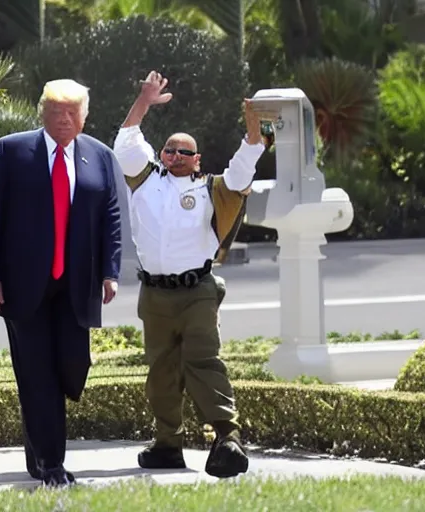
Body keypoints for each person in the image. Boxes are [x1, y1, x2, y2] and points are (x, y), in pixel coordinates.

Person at [112, 70, 265, 478]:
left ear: (197, 160)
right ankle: (167, 444)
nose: (176, 156)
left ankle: (227, 437)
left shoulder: (212, 188)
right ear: (161, 154)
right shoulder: (142, 179)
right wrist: (144, 100)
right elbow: (125, 142)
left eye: (185, 152)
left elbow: (240, 174)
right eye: (170, 150)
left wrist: (253, 138)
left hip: (197, 290)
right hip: (155, 294)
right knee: (161, 370)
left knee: (202, 361)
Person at [0, 79, 122, 487]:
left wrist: (111, 271)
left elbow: (110, 216)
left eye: (72, 112)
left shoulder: (98, 155)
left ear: (84, 116)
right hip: (24, 286)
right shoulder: (12, 150)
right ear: (42, 112)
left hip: (76, 285)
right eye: (56, 111)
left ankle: (38, 450)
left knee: (71, 368)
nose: (64, 119)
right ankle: (51, 464)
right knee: (38, 374)